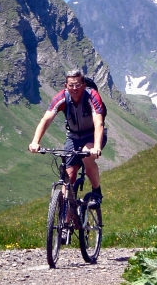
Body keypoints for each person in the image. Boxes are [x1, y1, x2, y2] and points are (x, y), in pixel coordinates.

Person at [28, 69, 106, 207]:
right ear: (66, 86)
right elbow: (46, 120)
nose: (74, 88)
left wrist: (97, 147)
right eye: (71, 85)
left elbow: (98, 123)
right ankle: (66, 216)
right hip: (73, 137)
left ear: (83, 85)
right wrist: (35, 142)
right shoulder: (61, 98)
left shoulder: (92, 96)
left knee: (87, 156)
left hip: (92, 135)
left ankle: (96, 192)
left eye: (77, 85)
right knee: (68, 178)